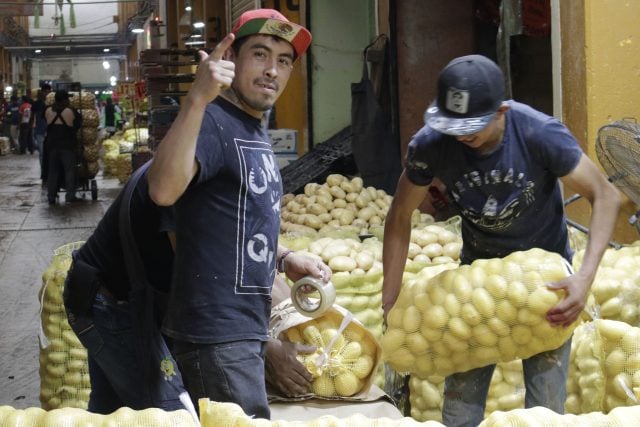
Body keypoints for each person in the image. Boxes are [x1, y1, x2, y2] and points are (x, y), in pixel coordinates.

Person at [381, 54, 621, 427]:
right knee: (460, 405)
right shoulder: (431, 145)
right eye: (453, 125)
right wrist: (390, 297)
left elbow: (605, 196)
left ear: (501, 112)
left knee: (544, 406)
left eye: (473, 125)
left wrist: (584, 278)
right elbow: (399, 217)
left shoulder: (539, 134)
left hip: (546, 285)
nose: (462, 135)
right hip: (478, 282)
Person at [147, 8, 325, 419]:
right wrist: (195, 98)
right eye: (260, 54)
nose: (272, 71)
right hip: (216, 337)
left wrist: (283, 257)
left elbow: (233, 222)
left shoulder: (250, 127)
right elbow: (162, 190)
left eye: (283, 61)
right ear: (232, 60)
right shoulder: (211, 121)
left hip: (241, 332)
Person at [62, 161, 190, 414]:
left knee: (110, 410)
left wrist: (282, 257)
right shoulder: (180, 177)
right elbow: (198, 274)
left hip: (123, 296)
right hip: (107, 302)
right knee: (167, 414)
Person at [44, 90, 82, 205]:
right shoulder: (71, 111)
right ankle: (70, 195)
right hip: (67, 145)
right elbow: (78, 125)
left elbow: (45, 122)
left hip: (52, 146)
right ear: (65, 100)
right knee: (69, 170)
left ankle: (51, 196)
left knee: (53, 171)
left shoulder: (47, 110)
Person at [32, 84, 52, 178]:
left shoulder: (52, 103)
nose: (47, 93)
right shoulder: (37, 104)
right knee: (42, 153)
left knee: (51, 153)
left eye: (49, 92)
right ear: (42, 92)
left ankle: (51, 172)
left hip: (51, 131)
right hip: (40, 131)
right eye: (45, 91)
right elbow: (33, 117)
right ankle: (44, 172)